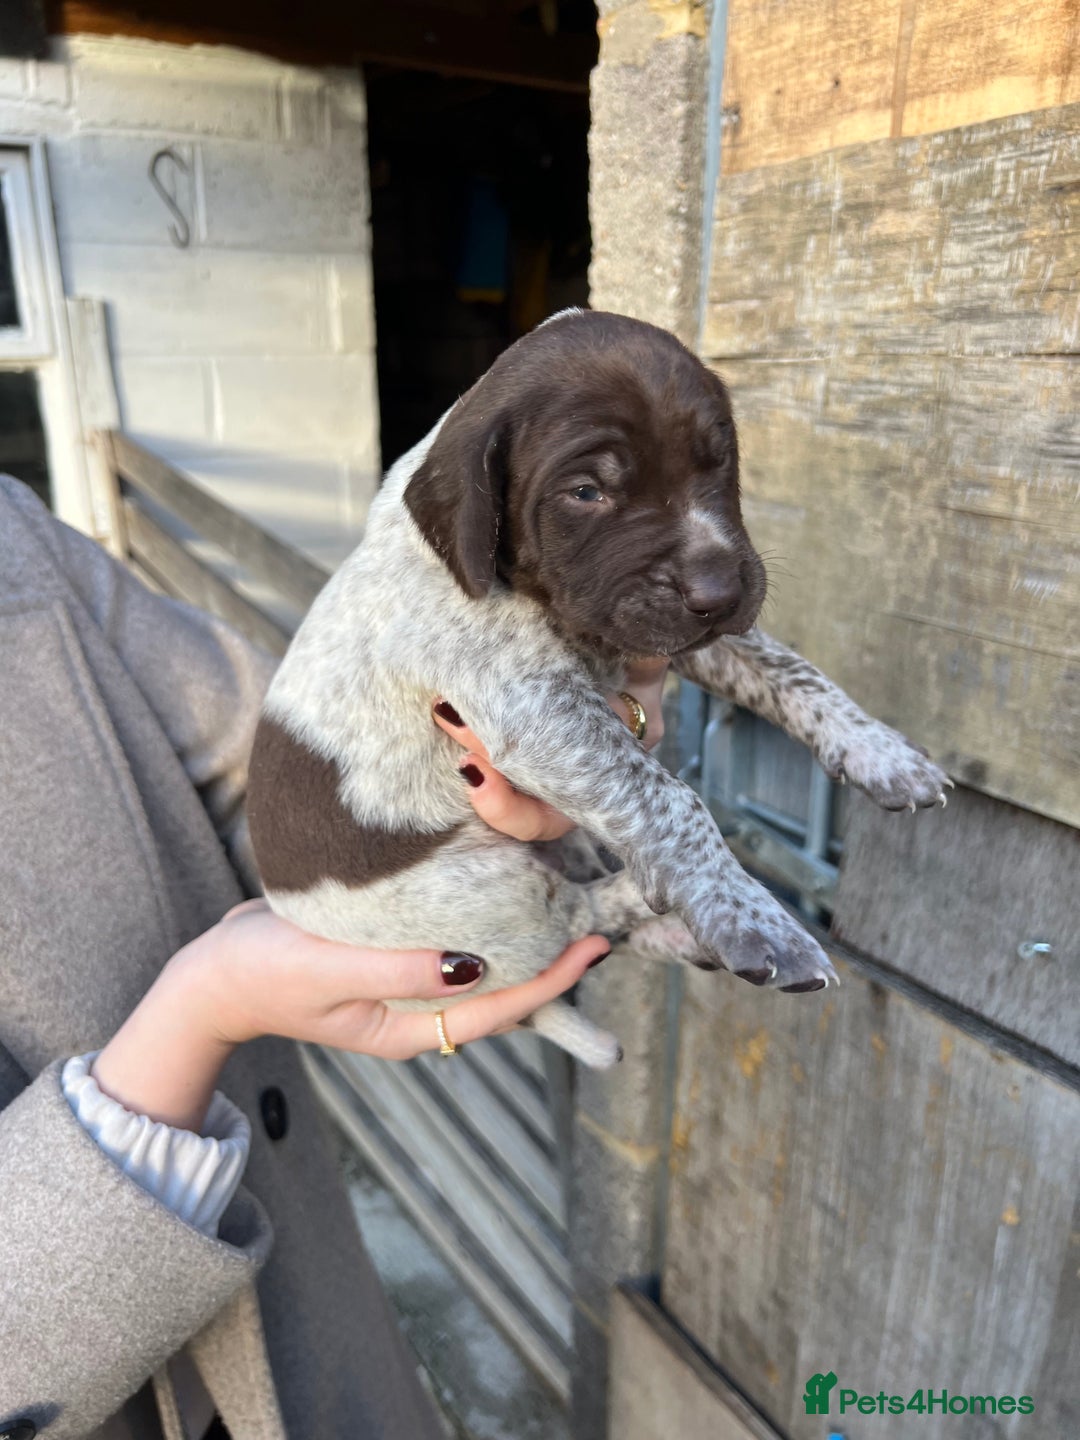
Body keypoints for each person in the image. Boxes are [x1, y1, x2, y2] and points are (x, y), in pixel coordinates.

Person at [0, 473, 668, 1440]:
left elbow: (267, 765)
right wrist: (202, 1011)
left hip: (305, 1319)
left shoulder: (14, 535)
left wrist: (537, 744)